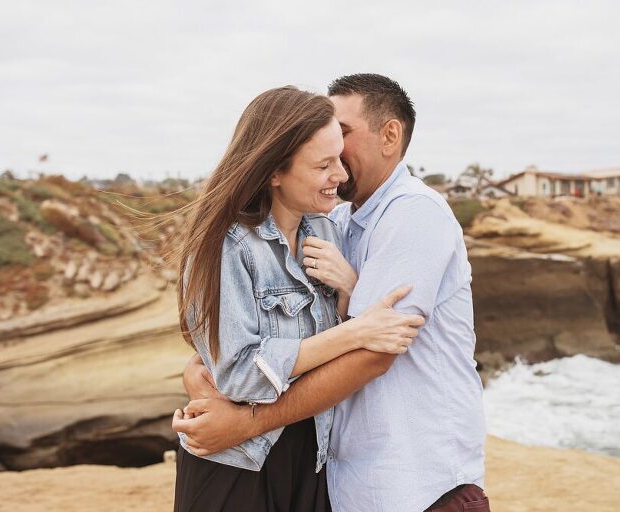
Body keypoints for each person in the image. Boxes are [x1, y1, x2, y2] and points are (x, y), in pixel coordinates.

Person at [174, 74, 488, 512]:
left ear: (390, 136)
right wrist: (201, 368)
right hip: (311, 474)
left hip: (412, 482)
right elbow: (239, 351)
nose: (337, 174)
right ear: (276, 170)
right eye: (325, 161)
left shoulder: (408, 215)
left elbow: (377, 349)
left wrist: (243, 421)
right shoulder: (331, 226)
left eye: (342, 143)